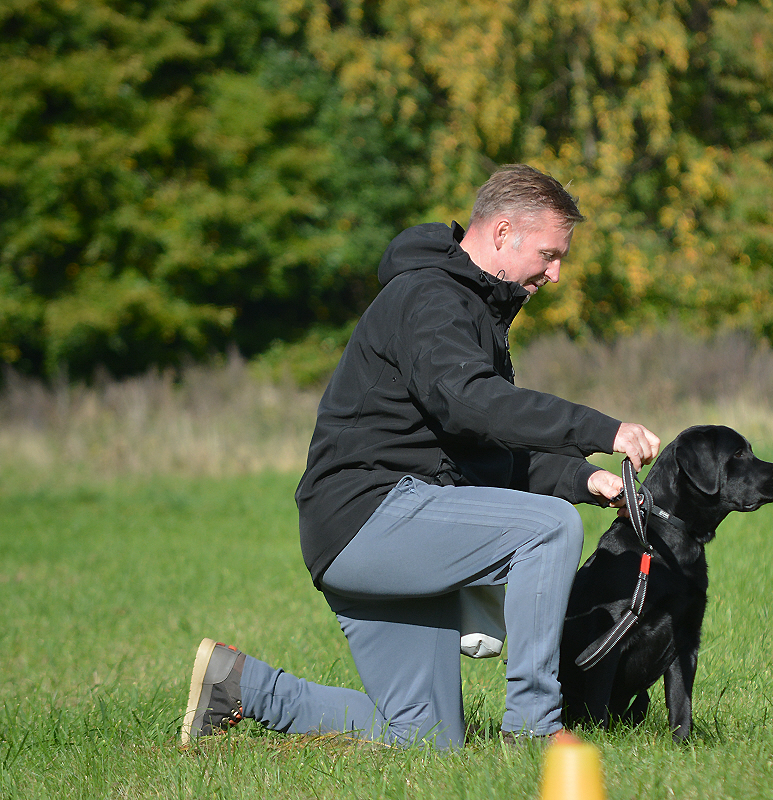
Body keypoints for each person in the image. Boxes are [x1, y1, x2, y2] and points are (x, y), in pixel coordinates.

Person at [180, 164, 660, 750]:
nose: (556, 273)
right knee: (547, 529)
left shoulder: (467, 308)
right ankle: (535, 727)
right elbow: (473, 405)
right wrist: (599, 428)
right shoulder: (431, 297)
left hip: (377, 529)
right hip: (370, 514)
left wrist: (584, 478)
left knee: (424, 737)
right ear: (503, 232)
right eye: (550, 254)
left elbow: (482, 449)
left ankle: (243, 688)